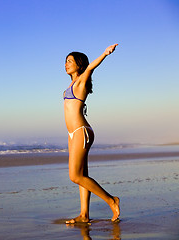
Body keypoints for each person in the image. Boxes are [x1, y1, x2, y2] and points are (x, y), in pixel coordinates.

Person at [63, 44, 120, 223]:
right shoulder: (71, 84)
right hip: (72, 134)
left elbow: (91, 67)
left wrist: (104, 53)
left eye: (70, 61)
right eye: (65, 61)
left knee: (75, 176)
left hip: (81, 131)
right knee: (82, 176)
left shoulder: (81, 81)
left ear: (79, 65)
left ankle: (112, 200)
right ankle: (84, 215)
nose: (66, 64)